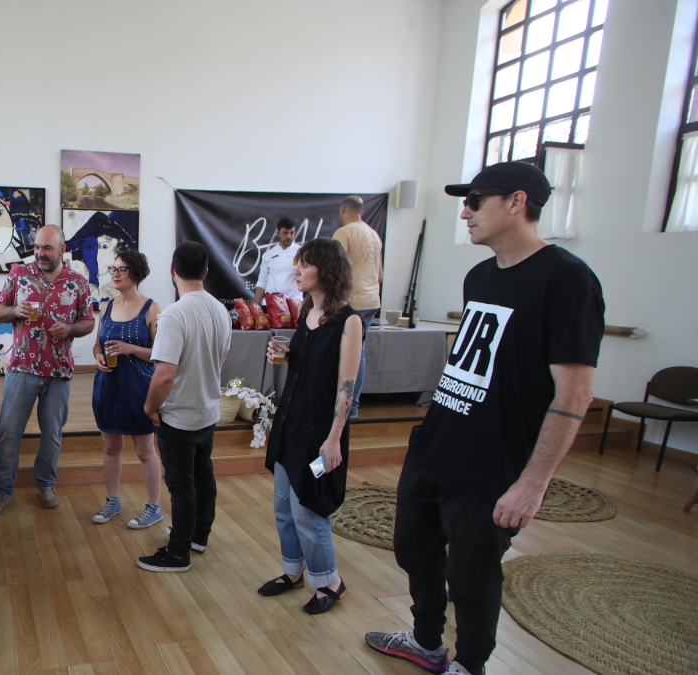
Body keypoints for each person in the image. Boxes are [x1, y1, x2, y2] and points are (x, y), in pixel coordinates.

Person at [365, 162, 604, 675]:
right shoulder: (480, 276)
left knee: (471, 574)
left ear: (517, 202)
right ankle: (426, 641)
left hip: (494, 462)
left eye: (475, 200)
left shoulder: (568, 280)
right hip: (438, 446)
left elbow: (576, 394)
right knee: (413, 550)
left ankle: (469, 664)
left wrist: (533, 484)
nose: (465, 212)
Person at [258, 238, 362, 615]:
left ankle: (329, 581)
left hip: (321, 434)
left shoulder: (350, 321)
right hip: (291, 423)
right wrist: (286, 354)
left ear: (327, 269)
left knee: (308, 507)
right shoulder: (307, 312)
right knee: (283, 505)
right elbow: (307, 364)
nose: (296, 271)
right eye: (297, 264)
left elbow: (346, 386)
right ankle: (293, 571)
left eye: (304, 265)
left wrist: (334, 438)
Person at [0, 226, 96, 517]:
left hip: (59, 371)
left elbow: (88, 322)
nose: (39, 253)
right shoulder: (19, 274)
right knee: (9, 431)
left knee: (52, 434)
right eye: (36, 247)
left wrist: (69, 329)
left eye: (46, 248)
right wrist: (14, 311)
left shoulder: (78, 282)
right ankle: (2, 490)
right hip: (21, 368)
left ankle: (46, 484)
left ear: (62, 249)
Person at [138, 242, 232, 572]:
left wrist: (150, 407)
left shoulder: (174, 314)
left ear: (172, 271)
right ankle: (197, 535)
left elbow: (164, 375)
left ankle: (178, 552)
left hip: (179, 416)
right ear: (206, 272)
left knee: (181, 486)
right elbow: (220, 359)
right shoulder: (220, 310)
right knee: (203, 476)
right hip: (207, 411)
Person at [90, 250, 165, 529]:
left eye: (121, 269)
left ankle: (155, 507)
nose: (115, 274)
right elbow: (98, 345)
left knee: (145, 450)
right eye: (114, 269)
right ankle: (113, 500)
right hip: (108, 387)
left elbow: (161, 354)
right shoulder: (106, 306)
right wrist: (98, 356)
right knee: (111, 447)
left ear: (136, 273)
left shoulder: (153, 308)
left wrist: (130, 348)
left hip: (139, 388)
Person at [332, 196, 384, 421]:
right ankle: (352, 407)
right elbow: (380, 275)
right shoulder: (374, 234)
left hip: (350, 302)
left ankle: (342, 406)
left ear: (343, 209)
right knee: (358, 353)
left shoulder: (344, 233)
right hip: (371, 301)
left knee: (340, 353)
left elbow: (334, 270)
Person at [254, 217, 304, 304]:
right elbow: (262, 281)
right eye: (285, 233)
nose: (289, 236)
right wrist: (256, 306)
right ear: (278, 233)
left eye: (292, 233)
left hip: (294, 302)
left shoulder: (302, 252)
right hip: (272, 304)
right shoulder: (268, 255)